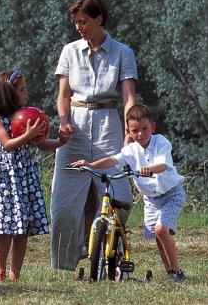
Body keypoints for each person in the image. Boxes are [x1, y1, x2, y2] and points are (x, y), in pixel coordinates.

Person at [50, 0, 138, 272]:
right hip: (75, 128)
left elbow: (129, 98)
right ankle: (70, 259)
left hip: (108, 126)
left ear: (99, 19)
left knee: (120, 197)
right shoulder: (69, 51)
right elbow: (63, 94)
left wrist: (130, 131)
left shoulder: (123, 53)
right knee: (63, 205)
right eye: (76, 22)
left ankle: (104, 251)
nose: (79, 27)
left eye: (83, 21)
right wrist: (63, 121)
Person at [71, 104, 186, 281]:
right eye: (135, 131)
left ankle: (177, 271)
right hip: (151, 199)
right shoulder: (130, 150)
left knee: (161, 230)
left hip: (171, 194)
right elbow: (113, 160)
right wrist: (90, 165)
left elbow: (163, 165)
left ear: (152, 127)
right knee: (158, 235)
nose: (140, 134)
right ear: (128, 131)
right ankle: (170, 271)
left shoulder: (161, 142)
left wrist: (149, 169)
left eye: (145, 129)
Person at [0, 69, 67, 281]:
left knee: (22, 226)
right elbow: (7, 144)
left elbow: (42, 144)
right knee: (6, 225)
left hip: (25, 175)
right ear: (8, 93)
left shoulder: (25, 116)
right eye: (21, 89)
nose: (26, 92)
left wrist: (62, 141)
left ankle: (14, 273)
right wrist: (28, 134)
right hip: (5, 177)